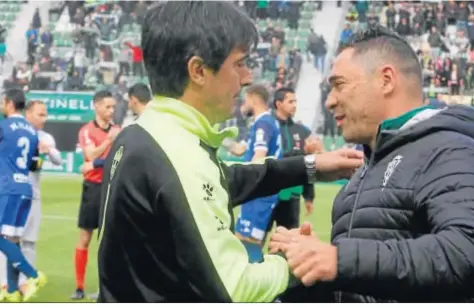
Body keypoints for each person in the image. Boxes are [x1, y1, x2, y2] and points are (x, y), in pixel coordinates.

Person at [96, 2, 364, 302]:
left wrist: (310, 166)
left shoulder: (144, 133)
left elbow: (225, 179)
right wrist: (295, 260)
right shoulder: (178, 158)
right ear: (198, 70)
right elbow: (234, 288)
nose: (247, 77)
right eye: (239, 63)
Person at [270, 25, 474, 302]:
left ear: (386, 80)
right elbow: (358, 286)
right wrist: (306, 274)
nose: (330, 101)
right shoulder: (365, 170)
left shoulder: (453, 149)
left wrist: (337, 259)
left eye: (339, 84)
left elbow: (470, 252)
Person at [0, 100, 63, 301]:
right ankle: (6, 285)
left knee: (27, 242)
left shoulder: (44, 137)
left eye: (45, 115)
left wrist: (47, 149)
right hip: (16, 191)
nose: (44, 118)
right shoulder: (14, 133)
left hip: (31, 196)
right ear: (27, 114)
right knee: (6, 239)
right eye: (40, 114)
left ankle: (24, 284)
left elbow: (58, 159)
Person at [0, 88, 46, 302]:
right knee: (14, 239)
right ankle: (11, 290)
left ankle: (34, 275)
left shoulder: (1, 126)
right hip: (25, 188)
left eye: (3, 102)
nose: (1, 105)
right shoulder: (31, 130)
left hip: (8, 189)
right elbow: (35, 163)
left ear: (9, 103)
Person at [71, 90, 119, 301]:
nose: (111, 111)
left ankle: (105, 289)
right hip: (93, 187)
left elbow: (116, 158)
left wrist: (96, 163)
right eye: (108, 107)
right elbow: (89, 154)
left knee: (109, 241)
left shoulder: (119, 130)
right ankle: (79, 287)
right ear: (97, 107)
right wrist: (108, 141)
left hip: (112, 187)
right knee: (85, 237)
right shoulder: (87, 131)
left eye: (113, 107)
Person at [234, 84, 283, 263]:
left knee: (249, 240)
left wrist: (242, 180)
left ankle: (255, 281)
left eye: (245, 100)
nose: (243, 105)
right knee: (241, 236)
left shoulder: (264, 123)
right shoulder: (261, 123)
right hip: (256, 192)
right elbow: (239, 150)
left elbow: (259, 157)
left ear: (254, 99)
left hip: (260, 191)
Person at [270, 87, 322, 234]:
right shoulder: (268, 126)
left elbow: (309, 163)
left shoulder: (302, 131)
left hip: (291, 195)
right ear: (278, 104)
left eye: (295, 101)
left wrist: (309, 195)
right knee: (255, 239)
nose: (294, 105)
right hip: (266, 195)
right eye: (290, 101)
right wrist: (301, 153)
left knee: (288, 240)